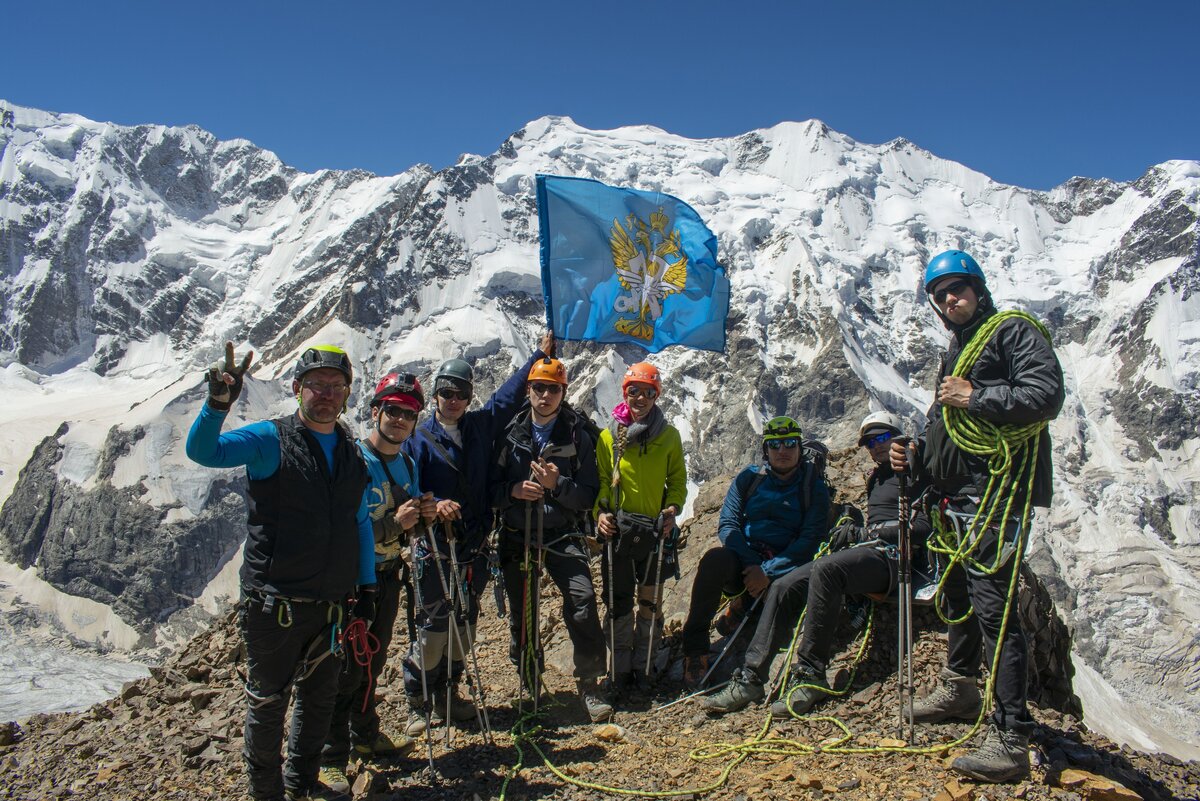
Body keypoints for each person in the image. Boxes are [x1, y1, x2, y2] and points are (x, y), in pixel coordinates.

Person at [892, 249, 1064, 783]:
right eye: (939, 294)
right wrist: (915, 449)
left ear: (978, 288)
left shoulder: (1010, 332)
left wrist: (977, 394)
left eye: (957, 288)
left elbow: (1046, 394)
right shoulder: (959, 347)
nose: (949, 298)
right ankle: (961, 688)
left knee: (995, 609)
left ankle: (1010, 734)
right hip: (955, 496)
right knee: (960, 598)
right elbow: (944, 416)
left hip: (994, 494)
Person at [186, 343, 375, 801]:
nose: (326, 395)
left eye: (335, 387)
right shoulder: (270, 439)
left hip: (329, 606)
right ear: (296, 390)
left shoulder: (351, 452)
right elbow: (203, 451)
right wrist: (216, 405)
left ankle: (299, 788)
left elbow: (359, 522)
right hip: (274, 607)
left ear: (347, 393)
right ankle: (267, 794)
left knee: (317, 703)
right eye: (316, 386)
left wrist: (366, 587)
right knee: (269, 705)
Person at [703, 411, 931, 717]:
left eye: (883, 438)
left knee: (826, 568)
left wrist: (867, 532)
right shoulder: (878, 477)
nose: (876, 447)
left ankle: (811, 674)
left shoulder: (916, 469)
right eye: (869, 442)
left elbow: (924, 526)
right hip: (871, 552)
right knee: (783, 585)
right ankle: (751, 678)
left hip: (894, 557)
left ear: (901, 436)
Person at [399, 332, 556, 736]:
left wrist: (540, 354)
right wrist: (431, 504)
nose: (454, 400)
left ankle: (449, 692)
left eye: (461, 395)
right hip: (434, 545)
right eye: (447, 393)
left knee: (464, 624)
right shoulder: (416, 440)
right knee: (433, 626)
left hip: (472, 546)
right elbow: (405, 488)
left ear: (469, 398)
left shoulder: (480, 427)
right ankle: (420, 697)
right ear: (435, 395)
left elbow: (506, 397)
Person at [318, 372, 430, 794]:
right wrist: (392, 525)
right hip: (351, 582)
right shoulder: (352, 460)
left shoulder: (409, 464)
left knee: (372, 662)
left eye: (409, 413)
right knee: (345, 668)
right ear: (376, 411)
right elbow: (344, 527)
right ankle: (330, 755)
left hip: (388, 576)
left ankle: (364, 736)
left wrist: (423, 516)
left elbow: (407, 524)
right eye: (394, 410)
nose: (401, 419)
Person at [491, 357, 610, 721]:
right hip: (517, 532)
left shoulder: (577, 435)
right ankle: (531, 682)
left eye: (552, 388)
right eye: (538, 388)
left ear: (563, 392)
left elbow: (588, 495)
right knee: (523, 614)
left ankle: (589, 682)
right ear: (528, 391)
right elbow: (487, 490)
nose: (545, 395)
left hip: (562, 531)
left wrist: (556, 485)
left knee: (583, 599)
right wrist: (511, 490)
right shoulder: (509, 433)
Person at [680, 416, 831, 690]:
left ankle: (743, 607)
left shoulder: (814, 489)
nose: (782, 451)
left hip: (786, 566)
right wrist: (753, 566)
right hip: (747, 561)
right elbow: (728, 525)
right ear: (766, 450)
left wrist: (769, 571)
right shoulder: (749, 479)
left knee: (781, 589)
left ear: (799, 447)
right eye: (775, 445)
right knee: (714, 561)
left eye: (789, 444)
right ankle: (695, 650)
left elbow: (811, 539)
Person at [595, 362, 687, 694]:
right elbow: (603, 481)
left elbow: (677, 479)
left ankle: (643, 667)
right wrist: (601, 512)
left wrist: (673, 507)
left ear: (656, 396)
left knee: (649, 602)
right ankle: (620, 673)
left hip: (654, 531)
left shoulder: (669, 436)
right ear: (625, 393)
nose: (641, 399)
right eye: (634, 391)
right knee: (618, 603)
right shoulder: (609, 436)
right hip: (617, 531)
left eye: (648, 393)